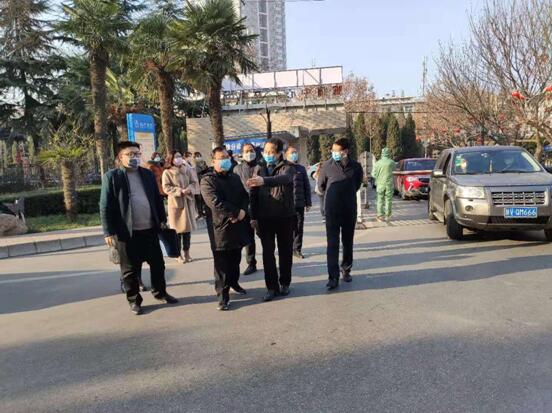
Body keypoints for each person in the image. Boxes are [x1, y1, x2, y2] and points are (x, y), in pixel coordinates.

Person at [100, 141, 178, 315]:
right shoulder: (112, 177)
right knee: (130, 270)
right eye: (130, 154)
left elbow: (156, 199)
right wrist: (108, 232)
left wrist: (162, 220)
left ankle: (160, 292)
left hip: (150, 229)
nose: (134, 157)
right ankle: (134, 300)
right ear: (120, 157)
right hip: (126, 233)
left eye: (137, 154)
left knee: (158, 264)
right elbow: (105, 206)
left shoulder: (147, 174)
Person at [201, 147, 250, 310]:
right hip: (220, 227)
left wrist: (243, 211)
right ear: (213, 161)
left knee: (235, 259)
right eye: (221, 158)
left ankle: (234, 283)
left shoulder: (234, 177)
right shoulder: (207, 180)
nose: (225, 160)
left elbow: (244, 197)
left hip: (238, 224)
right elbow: (214, 202)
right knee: (222, 264)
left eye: (226, 157)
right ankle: (223, 296)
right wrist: (235, 213)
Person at [247, 138, 295, 301]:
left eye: (271, 152)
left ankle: (285, 283)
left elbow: (284, 179)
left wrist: (264, 181)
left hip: (284, 217)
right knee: (268, 254)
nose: (267, 154)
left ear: (279, 153)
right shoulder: (258, 168)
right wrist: (253, 216)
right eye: (265, 151)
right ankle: (271, 287)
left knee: (285, 252)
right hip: (264, 219)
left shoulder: (287, 167)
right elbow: (253, 194)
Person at [318, 137, 363, 290]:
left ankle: (346, 269)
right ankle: (333, 277)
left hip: (349, 210)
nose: (334, 153)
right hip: (332, 211)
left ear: (346, 151)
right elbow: (321, 187)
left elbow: (357, 185)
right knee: (332, 244)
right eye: (333, 150)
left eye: (337, 151)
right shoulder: (326, 166)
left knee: (347, 242)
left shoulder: (356, 167)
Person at [162, 151, 198, 264]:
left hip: (188, 202)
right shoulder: (167, 172)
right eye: (176, 157)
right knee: (177, 232)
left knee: (187, 232)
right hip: (176, 203)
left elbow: (194, 182)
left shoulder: (187, 169)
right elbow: (166, 187)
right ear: (171, 159)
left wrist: (189, 189)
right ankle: (178, 255)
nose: (178, 158)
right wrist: (179, 191)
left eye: (180, 156)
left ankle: (187, 253)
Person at [234, 143, 260, 276]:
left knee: (266, 236)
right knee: (248, 238)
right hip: (245, 207)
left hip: (261, 206)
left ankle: (270, 260)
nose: (249, 153)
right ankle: (251, 263)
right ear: (242, 154)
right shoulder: (237, 169)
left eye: (251, 150)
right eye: (246, 151)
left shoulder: (261, 167)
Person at [285, 145, 312, 259]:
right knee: (287, 228)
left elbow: (307, 186)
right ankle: (287, 248)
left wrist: (308, 202)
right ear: (286, 154)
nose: (294, 154)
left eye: (295, 152)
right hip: (286, 205)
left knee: (299, 227)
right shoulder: (283, 168)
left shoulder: (301, 169)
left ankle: (297, 249)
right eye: (292, 152)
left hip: (299, 204)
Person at [372, 148, 396, 223]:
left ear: (382, 154)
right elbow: (394, 170)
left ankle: (380, 216)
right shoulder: (391, 162)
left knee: (380, 200)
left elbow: (373, 174)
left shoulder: (377, 163)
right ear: (389, 153)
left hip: (380, 185)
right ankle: (388, 216)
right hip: (389, 184)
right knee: (388, 200)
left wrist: (378, 177)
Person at [192, 152, 209, 217]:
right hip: (197, 183)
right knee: (198, 199)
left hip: (204, 182)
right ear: (194, 158)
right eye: (197, 156)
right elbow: (195, 174)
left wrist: (204, 167)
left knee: (204, 199)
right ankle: (200, 212)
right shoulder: (193, 165)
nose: (199, 157)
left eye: (199, 156)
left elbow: (207, 170)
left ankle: (204, 211)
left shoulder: (203, 163)